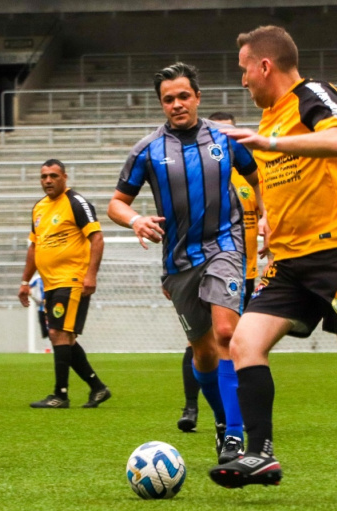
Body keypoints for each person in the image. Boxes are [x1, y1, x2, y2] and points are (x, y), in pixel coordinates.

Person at [207, 25, 337, 506]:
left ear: (265, 66)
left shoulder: (312, 95)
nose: (242, 82)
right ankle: (260, 454)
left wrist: (268, 144)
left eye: (243, 71)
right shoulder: (268, 119)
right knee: (243, 342)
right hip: (288, 262)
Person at [108, 62, 263, 463]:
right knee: (203, 352)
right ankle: (220, 420)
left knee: (227, 333)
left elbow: (259, 177)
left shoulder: (226, 138)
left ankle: (234, 434)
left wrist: (266, 219)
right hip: (178, 261)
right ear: (162, 104)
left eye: (183, 96)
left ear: (197, 96)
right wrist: (136, 219)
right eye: (168, 99)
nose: (177, 104)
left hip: (225, 247)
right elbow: (116, 203)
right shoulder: (147, 150)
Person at [175, 111, 263, 435]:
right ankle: (193, 406)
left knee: (236, 343)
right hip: (204, 267)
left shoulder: (251, 179)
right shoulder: (198, 176)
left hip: (247, 271)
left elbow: (266, 213)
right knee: (200, 343)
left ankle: (237, 417)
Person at [19, 159, 111, 409]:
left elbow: (98, 238)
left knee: (58, 333)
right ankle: (98, 388)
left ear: (64, 177)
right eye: (43, 176)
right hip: (50, 283)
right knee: (64, 337)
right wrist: (25, 281)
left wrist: (91, 275)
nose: (47, 180)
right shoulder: (38, 208)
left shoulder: (76, 202)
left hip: (72, 279)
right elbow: (34, 247)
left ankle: (60, 394)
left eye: (53, 176)